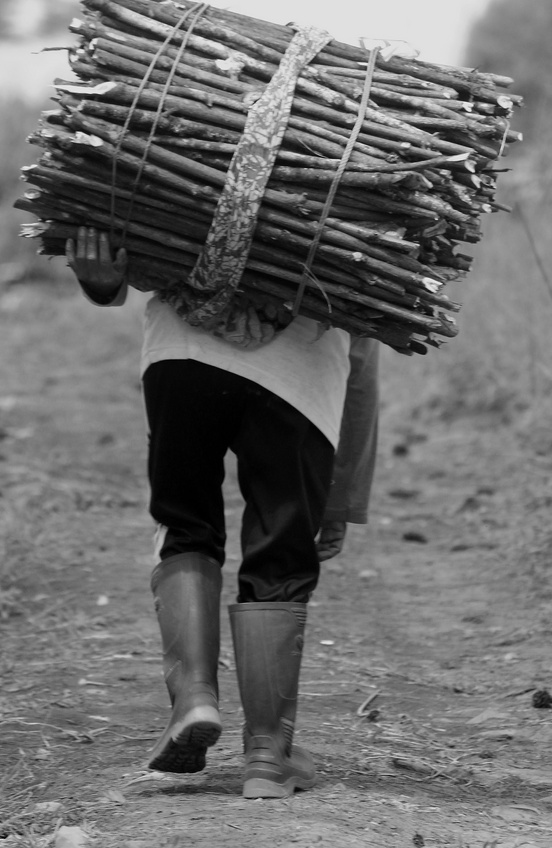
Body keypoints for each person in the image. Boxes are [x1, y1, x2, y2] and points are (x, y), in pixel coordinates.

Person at [65, 226, 379, 799]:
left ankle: (193, 701)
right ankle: (266, 754)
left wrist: (101, 283)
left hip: (182, 352)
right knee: (280, 547)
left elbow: (116, 239)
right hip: (299, 367)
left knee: (185, 523)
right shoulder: (352, 201)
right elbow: (361, 347)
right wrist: (342, 498)